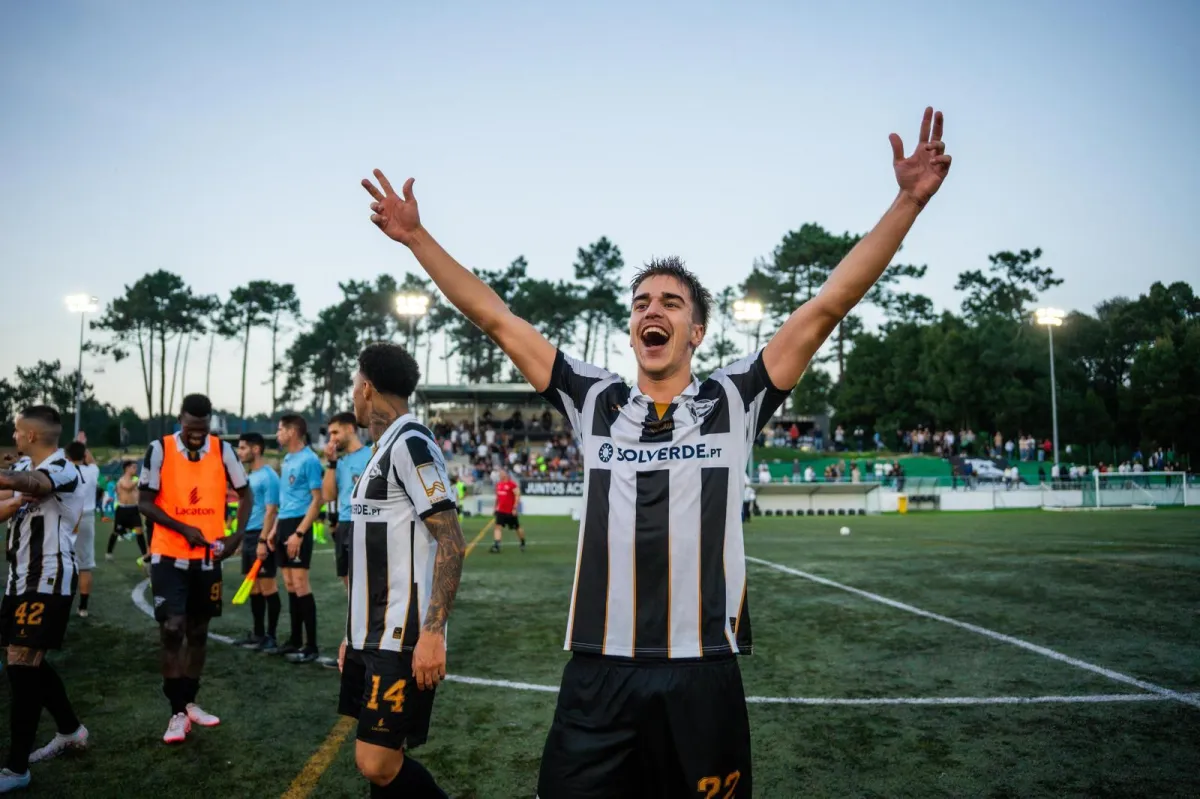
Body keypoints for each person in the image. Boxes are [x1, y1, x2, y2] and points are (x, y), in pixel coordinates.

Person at [362, 105, 951, 797]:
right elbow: (495, 316)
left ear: (696, 330)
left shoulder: (735, 398)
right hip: (598, 672)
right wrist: (417, 237)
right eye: (642, 300)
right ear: (632, 324)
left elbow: (828, 304)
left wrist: (907, 202)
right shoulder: (594, 399)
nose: (653, 309)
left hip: (702, 670)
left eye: (671, 301)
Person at [336, 342, 465, 798]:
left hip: (402, 635)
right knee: (385, 760)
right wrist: (351, 635)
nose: (353, 394)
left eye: (355, 385)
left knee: (377, 763)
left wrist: (433, 633)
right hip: (368, 634)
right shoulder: (381, 447)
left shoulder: (411, 444)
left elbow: (451, 540)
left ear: (367, 388)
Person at [138, 393, 252, 744]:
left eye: (202, 429)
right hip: (168, 555)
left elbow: (246, 494)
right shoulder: (160, 449)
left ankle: (189, 702)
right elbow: (144, 502)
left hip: (207, 558)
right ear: (180, 420)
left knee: (198, 631)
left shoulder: (222, 451)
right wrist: (183, 528)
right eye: (190, 428)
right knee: (173, 629)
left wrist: (235, 537)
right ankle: (175, 711)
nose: (196, 435)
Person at [0, 406, 89, 792]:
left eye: (18, 432)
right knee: (25, 662)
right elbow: (8, 504)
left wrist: (12, 486)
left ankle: (16, 768)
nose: (15, 436)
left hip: (48, 578)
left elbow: (36, 485)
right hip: (18, 579)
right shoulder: (23, 467)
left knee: (22, 664)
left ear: (32, 435)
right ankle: (70, 730)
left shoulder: (63, 468)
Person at [267, 414, 323, 663]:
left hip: (299, 524)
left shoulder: (309, 459)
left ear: (292, 432)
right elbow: (285, 499)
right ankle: (295, 639)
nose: (278, 434)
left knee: (301, 584)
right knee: (289, 583)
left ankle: (311, 646)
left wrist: (299, 533)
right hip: (284, 523)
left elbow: (317, 499)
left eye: (280, 430)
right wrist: (274, 530)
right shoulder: (287, 458)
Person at [232, 433, 282, 652]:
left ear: (256, 449)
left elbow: (272, 510)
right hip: (250, 535)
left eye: (243, 448)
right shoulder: (249, 476)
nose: (239, 452)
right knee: (253, 588)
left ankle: (271, 636)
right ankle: (258, 633)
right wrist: (242, 538)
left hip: (262, 536)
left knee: (268, 586)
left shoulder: (269, 476)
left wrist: (263, 539)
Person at [322, 412, 373, 591]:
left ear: (350, 429)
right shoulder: (339, 462)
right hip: (344, 524)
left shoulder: (372, 454)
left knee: (369, 583)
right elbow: (328, 496)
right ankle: (357, 618)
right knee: (348, 581)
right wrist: (331, 463)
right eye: (330, 434)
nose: (332, 438)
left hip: (366, 523)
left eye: (335, 433)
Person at [64, 441, 99, 619]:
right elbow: (91, 461)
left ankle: (61, 605)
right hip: (87, 518)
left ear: (66, 456)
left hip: (67, 518)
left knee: (62, 562)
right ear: (84, 455)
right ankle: (83, 608)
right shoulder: (93, 471)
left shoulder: (63, 471)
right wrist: (85, 446)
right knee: (85, 566)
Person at [107, 460, 148, 563]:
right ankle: (109, 552)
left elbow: (138, 493)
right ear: (127, 468)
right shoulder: (122, 480)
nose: (136, 469)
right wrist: (139, 480)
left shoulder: (135, 481)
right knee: (116, 532)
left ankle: (145, 556)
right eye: (133, 467)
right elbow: (127, 488)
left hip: (133, 509)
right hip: (122, 510)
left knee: (139, 532)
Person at [483, 469, 525, 553]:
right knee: (497, 527)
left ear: (506, 475)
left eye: (501, 474)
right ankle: (496, 545)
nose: (500, 475)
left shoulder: (512, 484)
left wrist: (514, 508)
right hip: (500, 511)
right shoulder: (499, 485)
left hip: (510, 511)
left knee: (517, 527)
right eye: (499, 474)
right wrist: (495, 508)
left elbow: (517, 495)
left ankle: (522, 541)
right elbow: (498, 498)